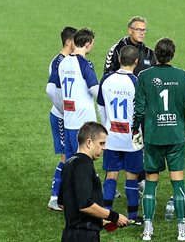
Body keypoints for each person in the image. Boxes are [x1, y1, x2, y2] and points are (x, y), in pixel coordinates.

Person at [131, 38, 185, 241]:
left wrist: (135, 130)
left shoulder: (144, 76)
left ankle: (148, 230)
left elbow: (140, 109)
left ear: (155, 55)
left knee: (151, 182)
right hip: (175, 136)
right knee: (178, 182)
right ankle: (181, 230)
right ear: (173, 54)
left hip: (153, 136)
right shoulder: (182, 75)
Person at [58, 121, 128, 241]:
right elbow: (85, 204)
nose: (104, 148)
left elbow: (62, 202)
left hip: (69, 235)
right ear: (89, 142)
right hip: (84, 237)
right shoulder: (83, 165)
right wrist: (114, 216)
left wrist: (99, 220)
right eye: (101, 143)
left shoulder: (69, 163)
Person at [97, 45, 144, 224]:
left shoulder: (107, 80)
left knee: (111, 175)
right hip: (132, 139)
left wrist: (106, 128)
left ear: (118, 58)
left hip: (112, 136)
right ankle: (132, 216)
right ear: (136, 62)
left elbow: (101, 106)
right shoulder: (137, 82)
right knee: (132, 176)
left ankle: (106, 215)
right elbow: (142, 111)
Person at [45, 26, 76, 211]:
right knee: (66, 157)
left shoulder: (64, 61)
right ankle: (55, 198)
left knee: (71, 155)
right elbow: (51, 90)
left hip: (66, 116)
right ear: (68, 42)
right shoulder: (59, 63)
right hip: (61, 117)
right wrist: (64, 111)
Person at [57, 28, 99, 160]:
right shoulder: (84, 63)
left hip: (69, 120)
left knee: (70, 162)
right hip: (83, 122)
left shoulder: (63, 62)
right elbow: (94, 89)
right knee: (83, 162)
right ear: (88, 43)